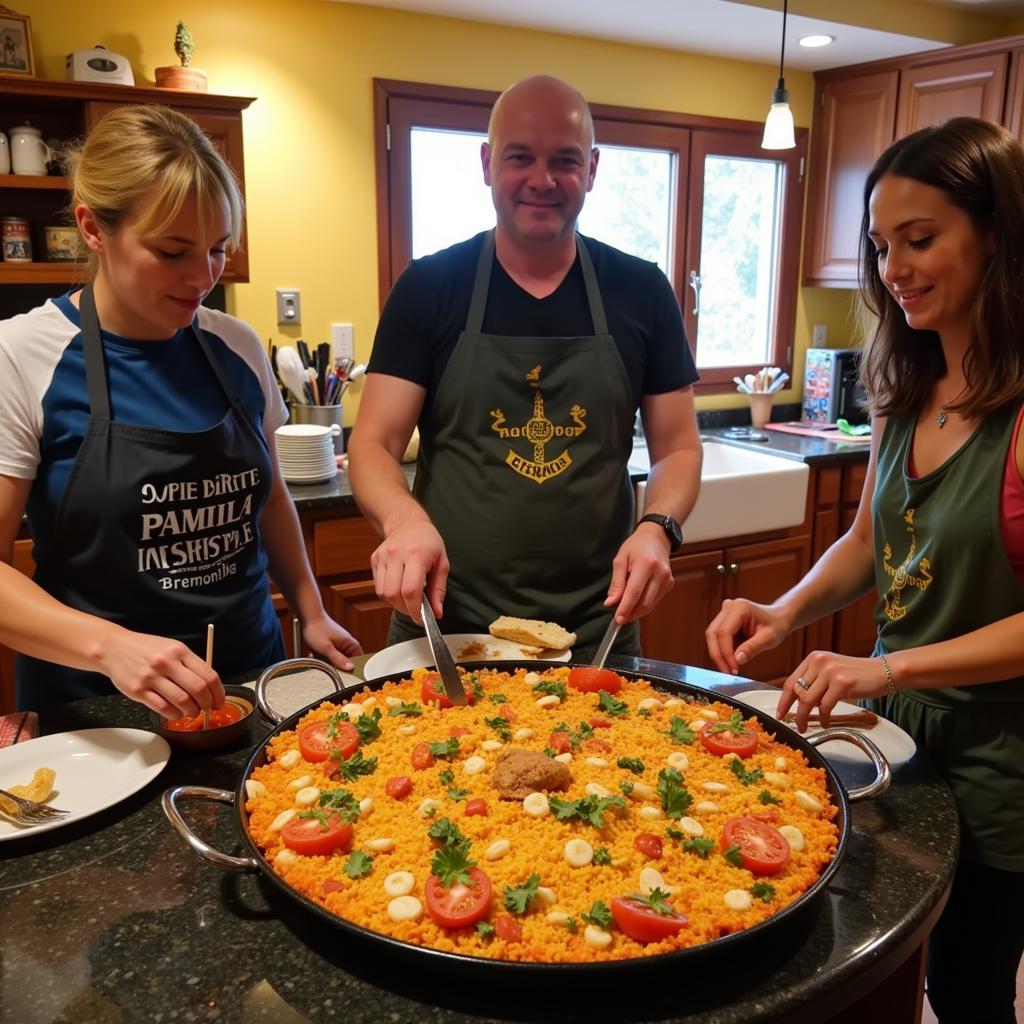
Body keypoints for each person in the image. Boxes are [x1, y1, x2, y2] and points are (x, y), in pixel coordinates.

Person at [705, 116, 1024, 1024]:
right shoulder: (907, 388)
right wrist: (784, 612)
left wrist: (887, 665)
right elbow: (865, 545)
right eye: (884, 247)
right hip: (898, 737)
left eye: (921, 240)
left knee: (968, 987)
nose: (895, 270)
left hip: (1002, 753)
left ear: (997, 233)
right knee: (882, 968)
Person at [0, 105, 361, 718]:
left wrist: (311, 608)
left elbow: (269, 496)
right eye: (172, 252)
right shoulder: (21, 355)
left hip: (250, 679)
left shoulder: (237, 347)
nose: (202, 277)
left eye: (218, 249)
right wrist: (111, 648)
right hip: (99, 704)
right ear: (92, 228)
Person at [348, 75, 702, 657]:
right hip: (447, 626)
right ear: (488, 163)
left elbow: (679, 447)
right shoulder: (429, 287)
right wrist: (402, 520)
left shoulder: (641, 290)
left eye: (564, 160)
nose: (542, 180)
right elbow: (373, 443)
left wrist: (657, 529)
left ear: (592, 169)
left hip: (599, 629)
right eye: (520, 157)